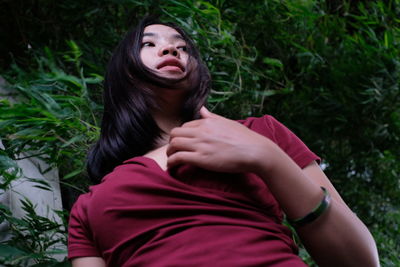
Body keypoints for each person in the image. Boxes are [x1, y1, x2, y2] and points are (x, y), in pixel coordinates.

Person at [68, 17, 379, 267]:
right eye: (149, 44)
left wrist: (269, 158)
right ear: (123, 73)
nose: (171, 50)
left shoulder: (260, 131)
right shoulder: (88, 207)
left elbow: (361, 260)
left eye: (182, 47)